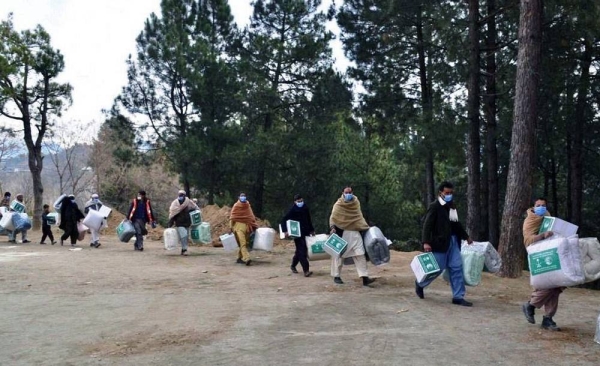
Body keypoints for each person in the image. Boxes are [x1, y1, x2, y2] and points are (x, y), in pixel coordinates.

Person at [417, 181, 473, 306]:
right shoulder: (435, 206)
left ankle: (458, 296)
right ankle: (420, 284)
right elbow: (427, 225)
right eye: (447, 193)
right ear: (441, 193)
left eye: (451, 193)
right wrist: (426, 242)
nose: (449, 195)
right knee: (437, 268)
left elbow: (456, 224)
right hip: (440, 243)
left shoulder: (452, 206)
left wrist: (466, 237)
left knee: (457, 268)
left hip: (454, 242)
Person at [521, 197, 561, 331]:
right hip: (538, 256)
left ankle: (547, 318)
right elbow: (528, 241)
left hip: (550, 254)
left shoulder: (549, 218)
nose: (541, 207)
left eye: (543, 205)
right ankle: (530, 305)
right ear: (533, 206)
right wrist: (542, 236)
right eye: (538, 205)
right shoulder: (529, 221)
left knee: (555, 286)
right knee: (546, 286)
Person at [329, 186, 376, 287]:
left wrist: (364, 227)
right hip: (343, 233)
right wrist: (332, 227)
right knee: (339, 256)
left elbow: (359, 217)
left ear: (352, 192)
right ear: (343, 193)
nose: (348, 194)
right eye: (346, 192)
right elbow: (333, 217)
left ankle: (364, 277)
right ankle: (336, 276)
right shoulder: (338, 204)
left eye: (350, 192)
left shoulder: (356, 202)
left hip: (355, 232)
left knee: (360, 254)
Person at [280, 194, 315, 277]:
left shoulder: (305, 208)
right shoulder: (292, 210)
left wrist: (312, 230)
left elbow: (309, 219)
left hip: (306, 232)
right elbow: (284, 220)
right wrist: (285, 231)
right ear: (295, 202)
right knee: (302, 251)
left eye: (301, 201)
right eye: (298, 201)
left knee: (300, 251)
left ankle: (293, 265)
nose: (300, 203)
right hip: (297, 234)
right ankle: (306, 270)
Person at [168, 190, 199, 256]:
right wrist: (171, 221)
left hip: (187, 222)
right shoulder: (175, 203)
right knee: (183, 235)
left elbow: (196, 208)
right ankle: (185, 249)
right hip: (179, 223)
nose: (180, 196)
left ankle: (183, 249)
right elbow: (172, 213)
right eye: (179, 194)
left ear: (184, 195)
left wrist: (193, 211)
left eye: (182, 195)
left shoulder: (189, 202)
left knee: (186, 236)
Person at [229, 192, 258, 265]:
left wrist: (254, 224)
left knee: (245, 243)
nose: (243, 197)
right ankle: (247, 258)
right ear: (239, 197)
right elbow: (232, 217)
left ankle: (239, 258)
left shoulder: (247, 206)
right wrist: (230, 227)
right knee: (243, 243)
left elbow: (251, 216)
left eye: (244, 196)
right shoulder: (236, 206)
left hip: (248, 227)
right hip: (238, 228)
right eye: (242, 196)